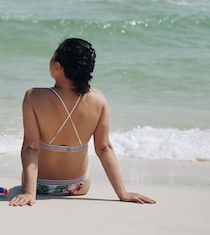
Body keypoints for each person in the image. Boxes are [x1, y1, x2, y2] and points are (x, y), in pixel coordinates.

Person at [9, 38, 155, 207]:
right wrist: (122, 193)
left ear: (57, 66)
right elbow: (104, 148)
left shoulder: (33, 97)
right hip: (78, 186)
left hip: (40, 184)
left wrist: (29, 192)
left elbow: (31, 147)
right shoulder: (98, 100)